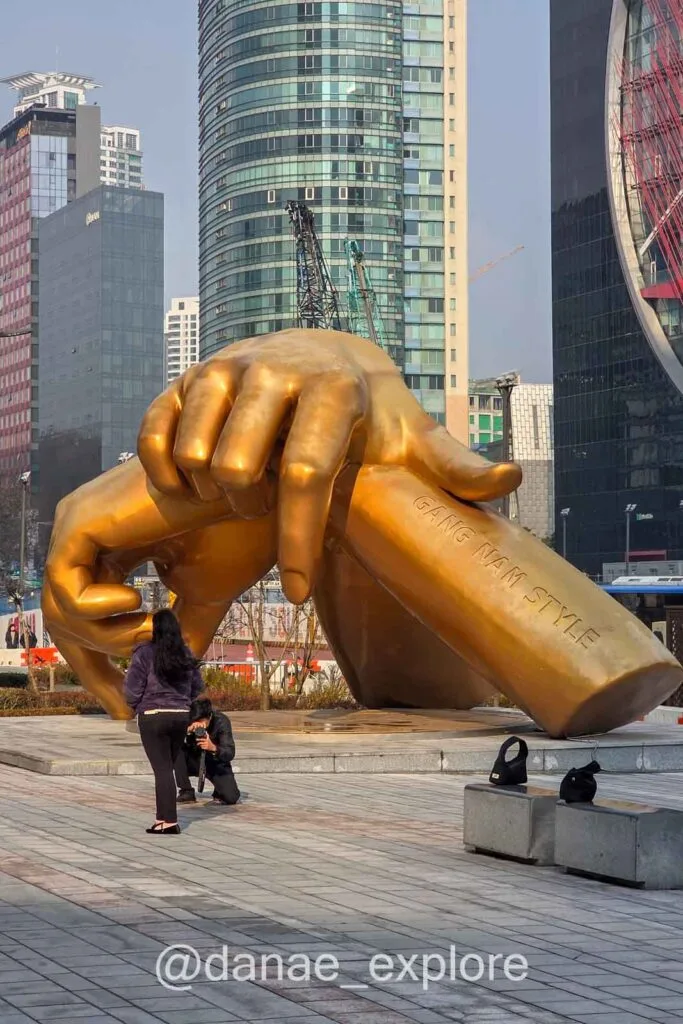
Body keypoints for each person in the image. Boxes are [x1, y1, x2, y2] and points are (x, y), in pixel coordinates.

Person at [123, 609, 204, 834]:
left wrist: (137, 705)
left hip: (152, 716)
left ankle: (168, 821)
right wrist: (183, 701)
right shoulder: (185, 654)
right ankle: (162, 818)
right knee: (167, 766)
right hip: (179, 715)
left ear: (155, 629)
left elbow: (132, 688)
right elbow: (198, 686)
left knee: (162, 769)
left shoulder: (144, 653)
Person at [174, 697, 240, 806]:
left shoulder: (221, 721)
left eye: (201, 721)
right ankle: (186, 791)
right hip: (194, 758)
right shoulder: (187, 719)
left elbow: (230, 752)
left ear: (209, 716)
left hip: (214, 761)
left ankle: (219, 791)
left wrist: (213, 747)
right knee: (177, 749)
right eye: (196, 721)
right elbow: (170, 740)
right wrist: (186, 731)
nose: (199, 724)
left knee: (231, 797)